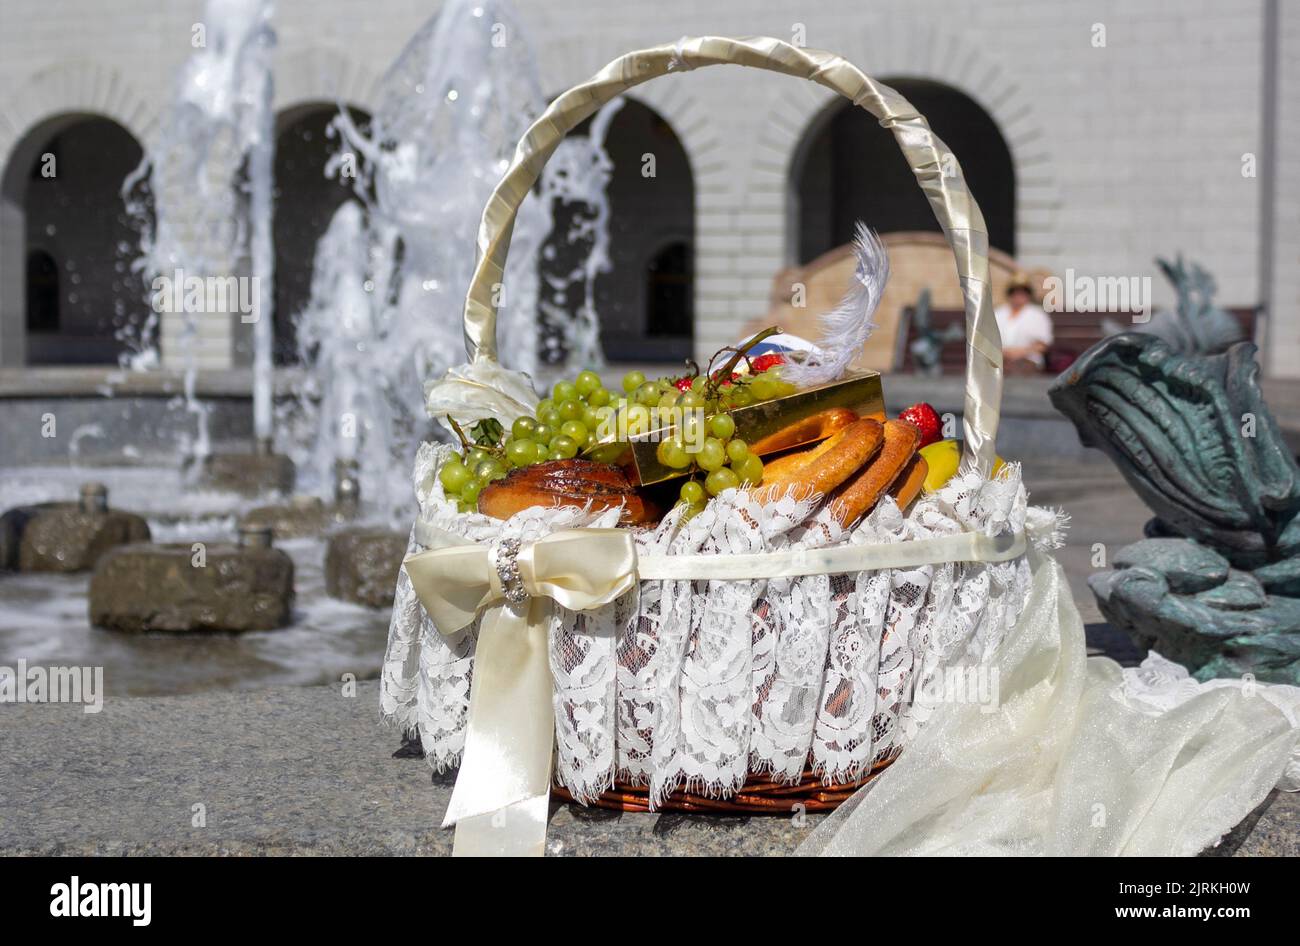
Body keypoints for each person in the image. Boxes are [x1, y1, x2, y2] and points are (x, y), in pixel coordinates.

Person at [994, 274, 1053, 375]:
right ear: (1009, 294)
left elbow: (1042, 345)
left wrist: (1019, 353)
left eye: (1022, 292)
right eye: (1015, 292)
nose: (1018, 296)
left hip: (1028, 359)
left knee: (1018, 370)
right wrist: (1004, 353)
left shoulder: (1038, 314)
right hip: (998, 358)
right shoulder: (997, 313)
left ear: (1028, 294)